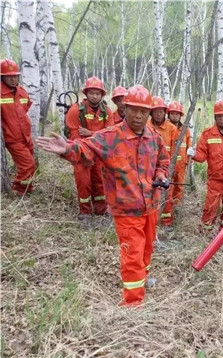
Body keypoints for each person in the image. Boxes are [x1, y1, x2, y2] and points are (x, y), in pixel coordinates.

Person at [36, 85, 170, 307]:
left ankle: (142, 280)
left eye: (143, 111)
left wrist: (162, 175)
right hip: (126, 211)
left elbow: (162, 161)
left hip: (151, 206)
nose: (138, 115)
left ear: (150, 113)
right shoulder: (109, 137)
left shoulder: (154, 137)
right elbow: (85, 148)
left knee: (146, 248)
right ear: (124, 108)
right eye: (134, 109)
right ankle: (133, 303)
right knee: (133, 254)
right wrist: (67, 149)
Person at [187, 100, 223, 232]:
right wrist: (193, 154)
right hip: (215, 180)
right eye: (218, 116)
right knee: (210, 207)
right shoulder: (207, 134)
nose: (221, 118)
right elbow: (202, 157)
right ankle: (205, 233)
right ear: (215, 117)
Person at [65, 76, 113, 220]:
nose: (94, 96)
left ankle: (101, 209)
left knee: (100, 182)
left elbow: (109, 135)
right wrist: (84, 154)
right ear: (86, 93)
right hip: (82, 153)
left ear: (102, 95)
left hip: (99, 154)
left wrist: (91, 133)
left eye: (97, 93)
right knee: (83, 183)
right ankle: (84, 211)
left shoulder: (107, 112)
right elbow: (74, 137)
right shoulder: (75, 111)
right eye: (91, 92)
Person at [0, 59, 37, 196]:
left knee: (29, 163)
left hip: (26, 136)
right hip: (12, 138)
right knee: (28, 164)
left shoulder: (22, 92)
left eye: (15, 76)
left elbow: (25, 107)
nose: (13, 79)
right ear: (2, 77)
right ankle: (19, 190)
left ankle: (28, 188)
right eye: (9, 76)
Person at [146, 96, 176, 232]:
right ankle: (150, 220)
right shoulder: (146, 127)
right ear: (151, 112)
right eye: (156, 111)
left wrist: (173, 168)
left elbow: (176, 151)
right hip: (148, 167)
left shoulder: (172, 129)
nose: (159, 114)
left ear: (165, 112)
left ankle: (167, 222)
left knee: (167, 194)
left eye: (161, 111)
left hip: (166, 166)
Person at [161, 101, 191, 231]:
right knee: (168, 189)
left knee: (179, 188)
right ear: (168, 114)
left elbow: (188, 146)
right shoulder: (166, 128)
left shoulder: (185, 130)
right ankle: (167, 213)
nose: (175, 116)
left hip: (181, 165)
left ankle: (176, 209)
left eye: (177, 114)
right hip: (169, 165)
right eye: (172, 113)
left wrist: (190, 155)